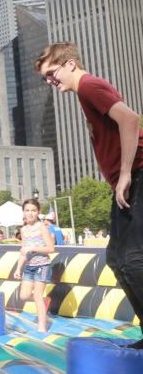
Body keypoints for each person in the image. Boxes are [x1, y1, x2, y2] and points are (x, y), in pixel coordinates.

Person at [36, 42, 143, 347]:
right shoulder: (85, 94)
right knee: (115, 258)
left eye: (51, 73)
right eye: (45, 78)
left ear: (70, 64)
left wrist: (124, 174)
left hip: (137, 175)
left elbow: (130, 119)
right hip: (127, 180)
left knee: (132, 258)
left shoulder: (89, 86)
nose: (50, 82)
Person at [13, 199, 55, 332]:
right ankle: (44, 301)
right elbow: (24, 250)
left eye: (33, 210)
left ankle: (42, 327)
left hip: (42, 265)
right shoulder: (23, 230)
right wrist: (18, 268)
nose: (30, 213)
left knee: (37, 295)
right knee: (24, 296)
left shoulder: (42, 227)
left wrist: (33, 248)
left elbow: (51, 248)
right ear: (23, 212)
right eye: (27, 210)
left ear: (38, 212)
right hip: (29, 266)